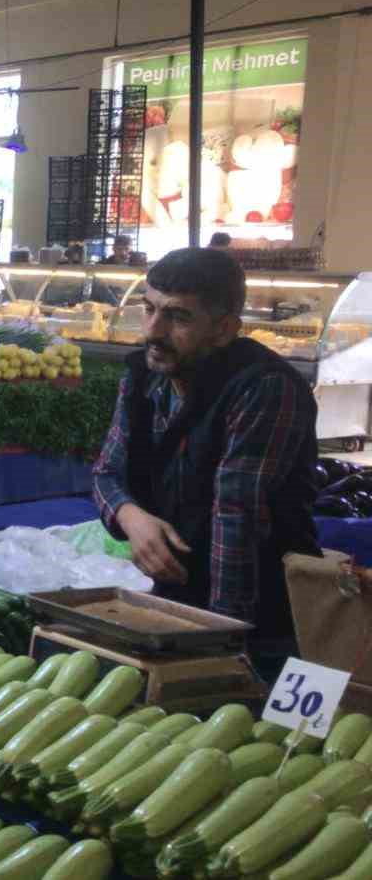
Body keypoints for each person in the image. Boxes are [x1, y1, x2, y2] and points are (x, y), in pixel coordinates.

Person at [92, 247, 319, 675]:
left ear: (224, 328)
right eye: (149, 309)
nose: (153, 331)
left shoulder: (264, 389)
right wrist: (130, 515)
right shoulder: (144, 376)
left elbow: (238, 519)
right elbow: (107, 472)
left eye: (178, 317)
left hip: (268, 619)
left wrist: (222, 645)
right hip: (177, 603)